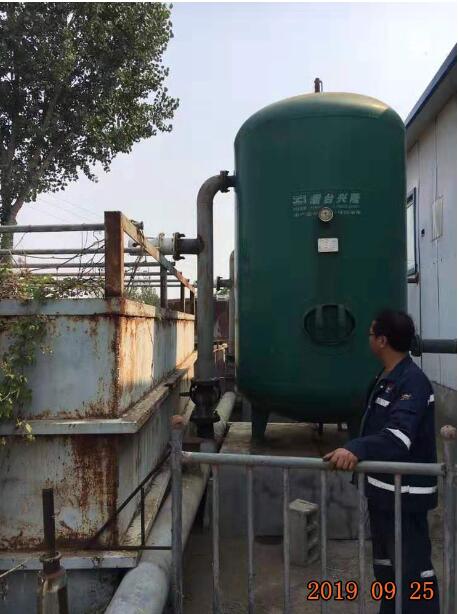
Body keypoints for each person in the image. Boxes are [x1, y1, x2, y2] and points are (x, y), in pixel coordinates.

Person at [323, 310, 439, 614]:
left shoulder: (412, 382)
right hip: (383, 495)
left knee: (413, 574)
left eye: (371, 334)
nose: (369, 339)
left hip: (405, 498)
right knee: (387, 570)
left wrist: (356, 448)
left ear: (383, 341)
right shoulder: (386, 378)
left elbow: (398, 438)